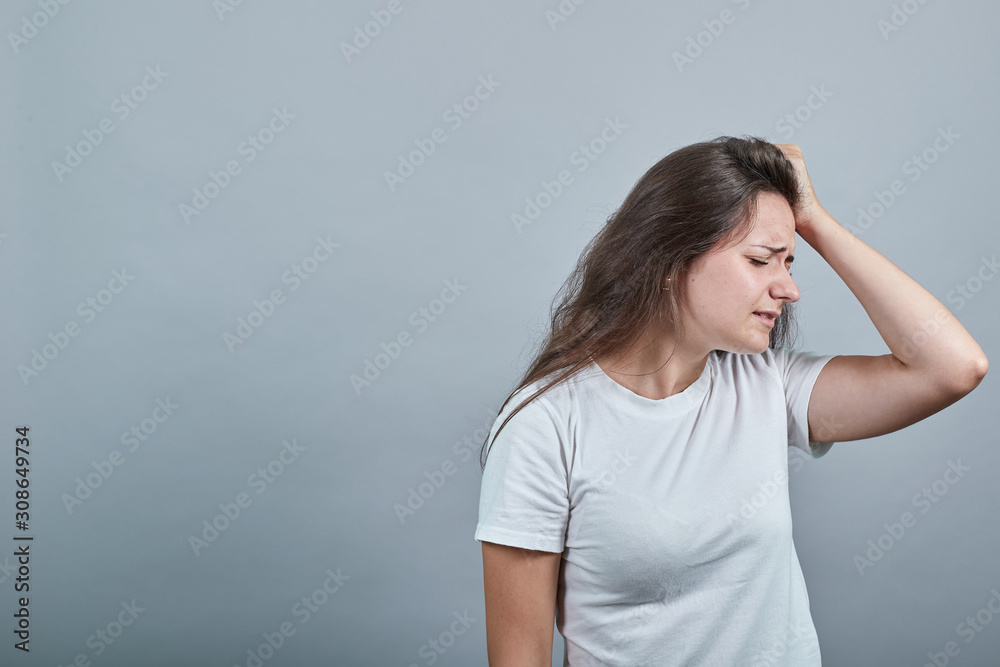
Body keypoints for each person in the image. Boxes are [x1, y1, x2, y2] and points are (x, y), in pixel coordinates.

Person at [474, 136, 988, 666]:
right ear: (671, 258)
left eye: (789, 261)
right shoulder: (546, 425)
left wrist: (813, 220)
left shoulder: (769, 384)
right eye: (762, 259)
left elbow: (952, 368)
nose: (788, 288)